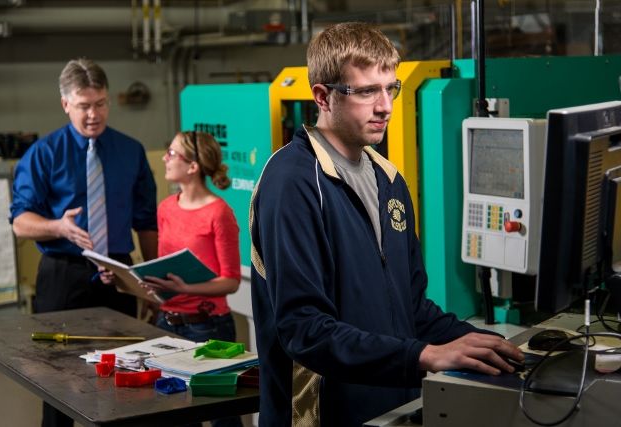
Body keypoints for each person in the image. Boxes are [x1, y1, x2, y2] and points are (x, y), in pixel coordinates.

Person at [249, 22, 524, 426]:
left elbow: (412, 309)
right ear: (322, 96)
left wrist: (492, 346)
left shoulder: (388, 180)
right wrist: (424, 356)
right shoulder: (293, 183)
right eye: (366, 91)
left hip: (395, 407)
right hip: (323, 415)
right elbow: (304, 331)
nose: (385, 106)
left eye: (390, 88)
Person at [10, 58, 158, 427]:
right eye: (84, 106)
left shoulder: (131, 151)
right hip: (64, 273)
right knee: (57, 377)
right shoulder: (44, 154)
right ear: (65, 104)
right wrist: (59, 227)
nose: (94, 114)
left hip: (119, 271)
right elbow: (20, 223)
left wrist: (148, 282)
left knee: (126, 374)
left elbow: (146, 221)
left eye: (101, 103)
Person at [142, 131, 242, 427]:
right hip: (167, 323)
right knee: (177, 414)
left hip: (208, 327)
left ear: (193, 166)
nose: (164, 158)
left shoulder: (219, 213)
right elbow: (165, 270)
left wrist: (187, 288)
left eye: (172, 154)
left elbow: (231, 281)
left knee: (221, 414)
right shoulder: (166, 208)